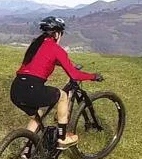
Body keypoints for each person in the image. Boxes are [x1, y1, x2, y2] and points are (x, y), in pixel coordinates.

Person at [9, 16, 103, 149]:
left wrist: (70, 65)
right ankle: (62, 138)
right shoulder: (56, 48)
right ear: (58, 34)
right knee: (63, 96)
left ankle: (25, 151)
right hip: (32, 88)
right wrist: (93, 76)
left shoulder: (35, 46)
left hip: (16, 89)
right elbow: (74, 75)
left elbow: (43, 61)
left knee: (38, 116)